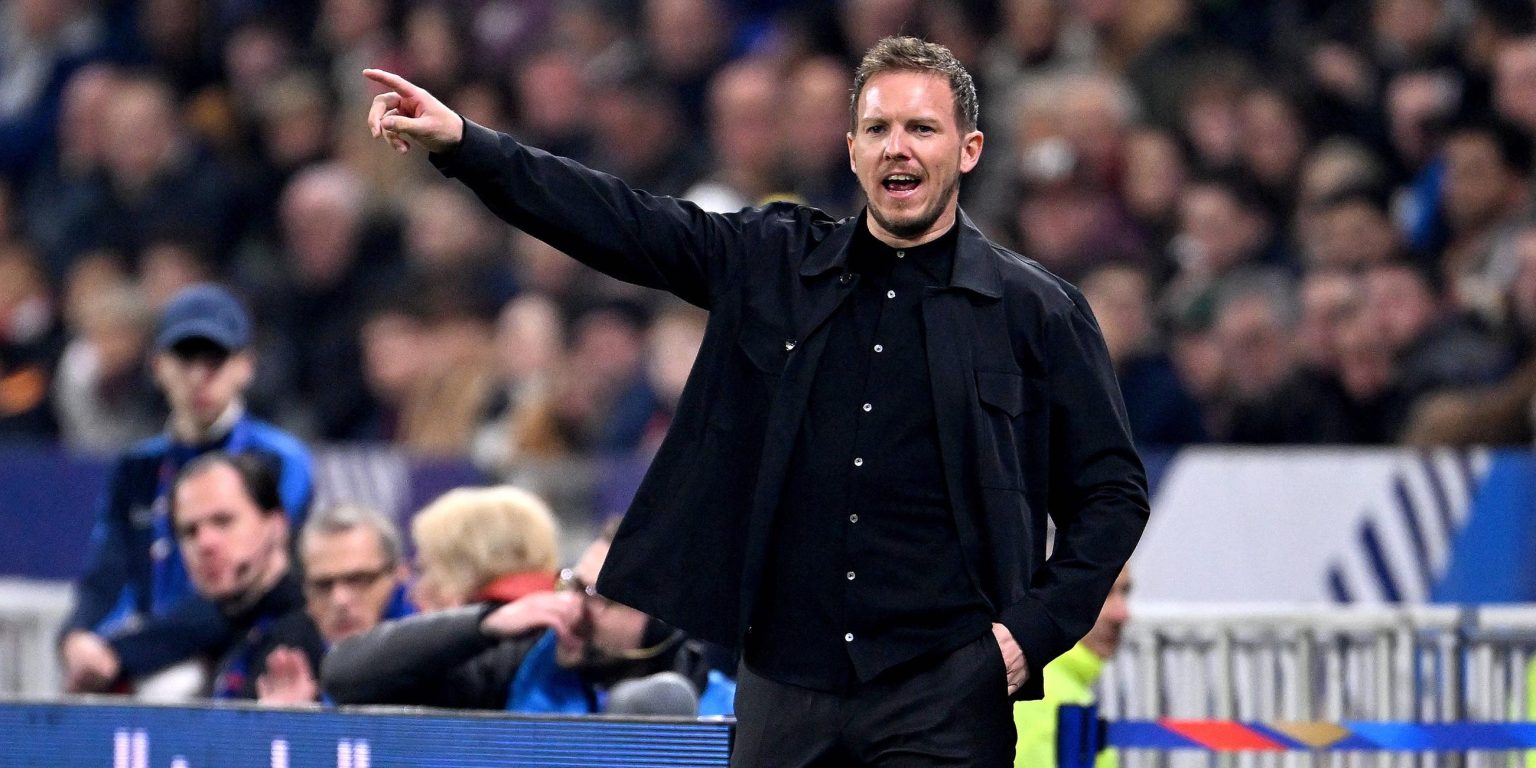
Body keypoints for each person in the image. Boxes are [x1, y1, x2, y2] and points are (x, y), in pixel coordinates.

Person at [364, 34, 1147, 765]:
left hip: (945, 693)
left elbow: (1111, 494)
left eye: (922, 128)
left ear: (968, 149)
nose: (897, 148)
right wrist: (465, 145)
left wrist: (1029, 635)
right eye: (877, 129)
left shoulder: (1037, 311)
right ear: (851, 149)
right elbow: (619, 220)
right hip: (785, 687)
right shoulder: (773, 260)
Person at [59, 283, 314, 695]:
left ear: (245, 366)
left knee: (174, 686)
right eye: (184, 358)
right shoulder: (137, 466)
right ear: (158, 366)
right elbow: (106, 573)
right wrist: (76, 638)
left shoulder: (280, 459)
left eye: (214, 359)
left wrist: (120, 653)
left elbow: (256, 586)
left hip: (239, 652)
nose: (198, 376)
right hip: (144, 656)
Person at [321, 498, 736, 715]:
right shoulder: (522, 666)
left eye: (598, 597)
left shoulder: (727, 711)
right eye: (573, 584)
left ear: (662, 621)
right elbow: (343, 676)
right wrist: (485, 623)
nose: (573, 606)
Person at [168, 452, 323, 700]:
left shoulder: (310, 629)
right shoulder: (204, 629)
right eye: (189, 531)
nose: (205, 543)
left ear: (277, 526)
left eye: (223, 521)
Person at [256, 502, 412, 705]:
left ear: (400, 577)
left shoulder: (436, 666)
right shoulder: (285, 656)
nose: (340, 600)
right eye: (323, 585)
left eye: (358, 580)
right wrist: (293, 722)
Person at [1012, 568, 1132, 768]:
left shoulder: (1062, 683)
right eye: (1103, 593)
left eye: (1125, 592)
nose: (1121, 614)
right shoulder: (1041, 691)